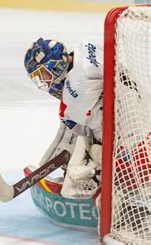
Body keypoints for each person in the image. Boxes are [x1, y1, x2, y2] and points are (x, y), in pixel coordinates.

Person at [24, 38, 104, 199]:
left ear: (55, 64)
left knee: (92, 148)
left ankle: (95, 178)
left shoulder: (75, 90)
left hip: (123, 133)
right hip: (127, 104)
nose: (44, 80)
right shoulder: (83, 47)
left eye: (43, 73)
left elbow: (89, 130)